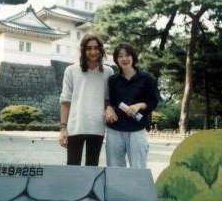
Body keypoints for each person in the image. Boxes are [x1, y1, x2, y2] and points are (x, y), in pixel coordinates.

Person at [59, 33, 114, 166]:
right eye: (88, 48)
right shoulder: (71, 70)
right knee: (72, 166)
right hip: (75, 126)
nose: (93, 51)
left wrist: (109, 108)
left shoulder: (108, 72)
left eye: (96, 48)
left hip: (97, 127)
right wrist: (63, 128)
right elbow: (65, 101)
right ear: (83, 50)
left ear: (101, 49)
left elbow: (108, 100)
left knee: (92, 167)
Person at [105, 42, 158, 168]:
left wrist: (139, 105)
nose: (124, 59)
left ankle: (137, 189)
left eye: (127, 55)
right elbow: (110, 101)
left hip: (137, 129)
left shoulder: (146, 78)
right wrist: (109, 108)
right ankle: (115, 188)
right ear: (116, 59)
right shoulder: (113, 80)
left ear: (133, 57)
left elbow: (153, 101)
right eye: (120, 56)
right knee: (114, 167)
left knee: (138, 167)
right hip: (115, 129)